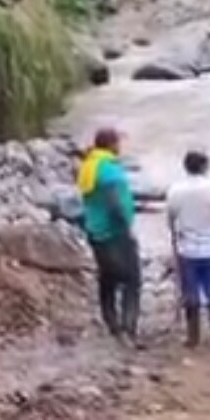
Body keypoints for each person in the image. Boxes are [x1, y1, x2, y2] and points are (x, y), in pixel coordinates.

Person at [76, 128, 141, 344]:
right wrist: (126, 226)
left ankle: (111, 322)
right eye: (118, 143)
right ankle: (128, 326)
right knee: (132, 278)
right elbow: (115, 204)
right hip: (115, 232)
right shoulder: (110, 170)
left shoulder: (88, 166)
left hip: (95, 230)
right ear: (112, 144)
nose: (120, 147)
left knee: (107, 277)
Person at [165, 150, 210, 348]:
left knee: (190, 294)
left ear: (185, 167)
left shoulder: (175, 190)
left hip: (188, 250)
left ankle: (193, 338)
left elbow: (170, 220)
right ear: (205, 167)